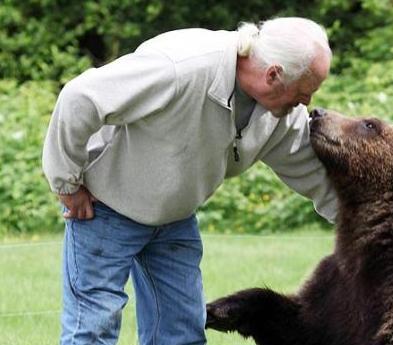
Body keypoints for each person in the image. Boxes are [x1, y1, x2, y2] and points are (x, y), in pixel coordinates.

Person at [42, 17, 338, 345]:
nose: (307, 103)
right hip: (105, 208)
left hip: (175, 219)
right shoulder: (180, 67)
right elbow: (80, 98)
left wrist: (378, 233)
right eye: (304, 92)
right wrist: (66, 183)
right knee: (92, 332)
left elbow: (316, 177)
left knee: (182, 335)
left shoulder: (280, 116)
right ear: (273, 75)